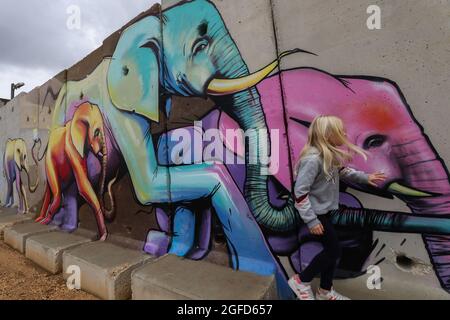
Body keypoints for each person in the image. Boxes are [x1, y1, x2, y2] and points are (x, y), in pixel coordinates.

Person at [288, 115, 386, 300]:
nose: (344, 134)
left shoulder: (327, 155)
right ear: (328, 135)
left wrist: (366, 178)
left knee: (333, 252)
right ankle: (301, 281)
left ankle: (325, 291)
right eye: (340, 131)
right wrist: (311, 220)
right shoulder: (312, 160)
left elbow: (342, 171)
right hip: (317, 214)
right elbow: (300, 192)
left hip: (326, 212)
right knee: (334, 251)